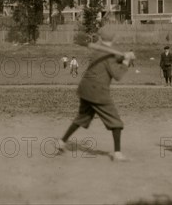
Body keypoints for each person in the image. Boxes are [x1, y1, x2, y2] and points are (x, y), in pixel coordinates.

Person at [57, 27, 135, 162]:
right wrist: (126, 61)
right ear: (114, 38)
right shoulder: (108, 54)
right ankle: (117, 154)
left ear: (101, 38)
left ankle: (62, 142)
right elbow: (117, 75)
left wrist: (123, 56)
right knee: (116, 122)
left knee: (82, 118)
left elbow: (109, 60)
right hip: (97, 91)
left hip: (85, 88)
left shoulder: (98, 50)